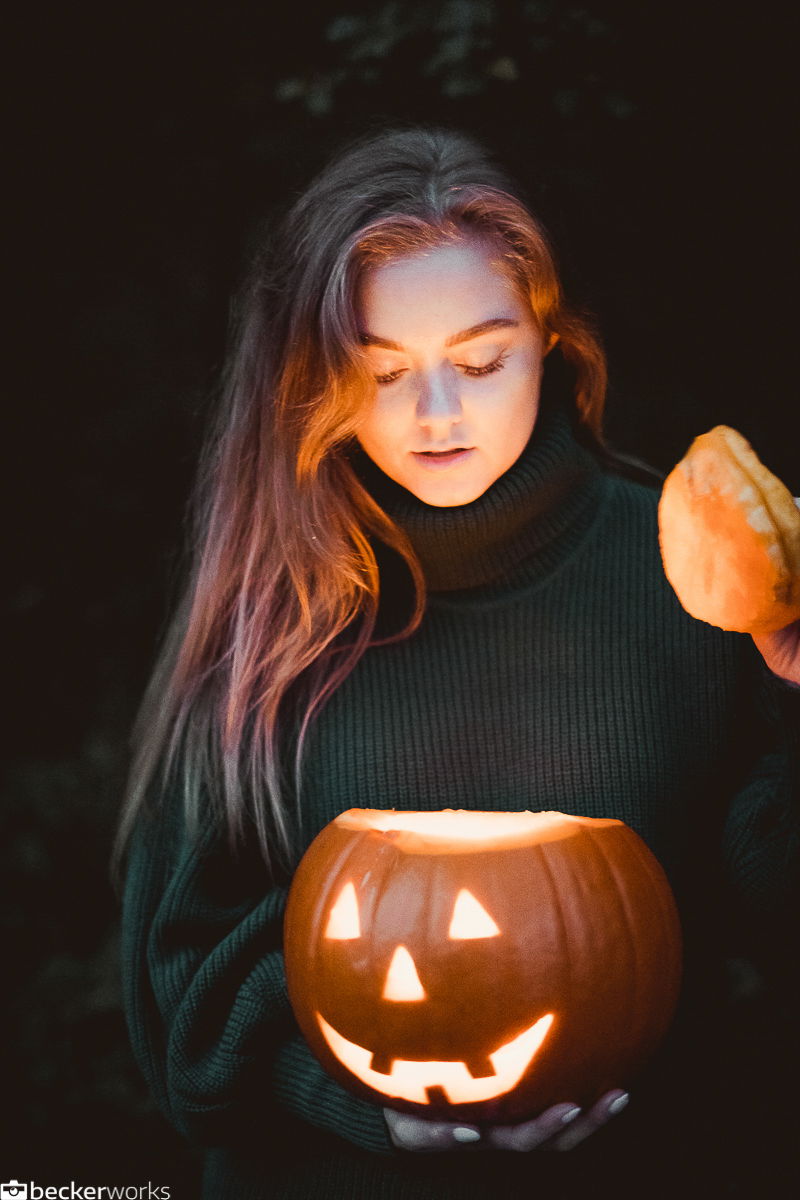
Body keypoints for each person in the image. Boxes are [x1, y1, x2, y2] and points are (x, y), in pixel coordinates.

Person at [116, 126, 800, 1199]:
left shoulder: (690, 571)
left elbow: (768, 903)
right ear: (316, 387)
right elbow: (176, 991)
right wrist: (356, 1101)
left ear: (549, 339)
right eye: (382, 373)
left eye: (480, 362)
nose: (437, 416)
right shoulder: (275, 608)